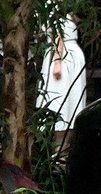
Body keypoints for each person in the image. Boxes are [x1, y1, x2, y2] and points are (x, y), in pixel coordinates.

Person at [36, 14, 86, 145]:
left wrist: (57, 61)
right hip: (68, 54)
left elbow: (58, 35)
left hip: (64, 55)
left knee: (61, 101)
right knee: (66, 102)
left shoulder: (57, 11)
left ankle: (61, 144)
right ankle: (61, 144)